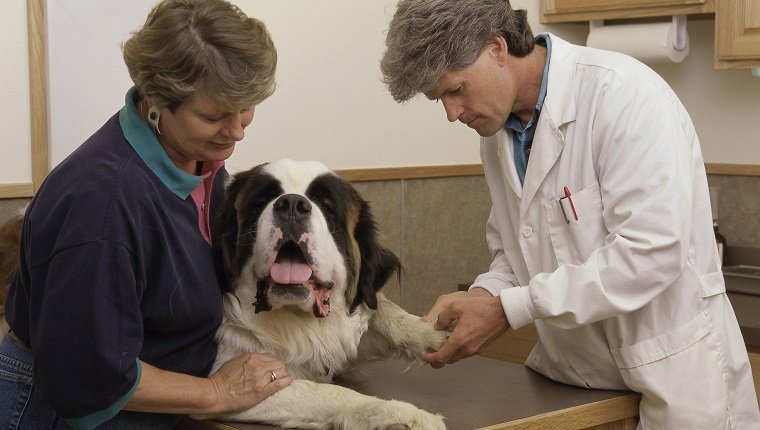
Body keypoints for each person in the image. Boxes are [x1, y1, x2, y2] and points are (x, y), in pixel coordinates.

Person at [381, 0, 760, 428]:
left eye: (455, 90)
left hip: (673, 376)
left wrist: (509, 310)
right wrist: (485, 294)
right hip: (575, 378)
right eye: (439, 100)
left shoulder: (622, 95)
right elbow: (519, 248)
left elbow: (650, 253)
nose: (452, 114)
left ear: (496, 48)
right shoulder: (498, 135)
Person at [0, 1, 293, 428]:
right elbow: (87, 376)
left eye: (246, 107)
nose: (237, 130)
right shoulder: (102, 205)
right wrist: (218, 391)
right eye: (213, 116)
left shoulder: (197, 157)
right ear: (155, 100)